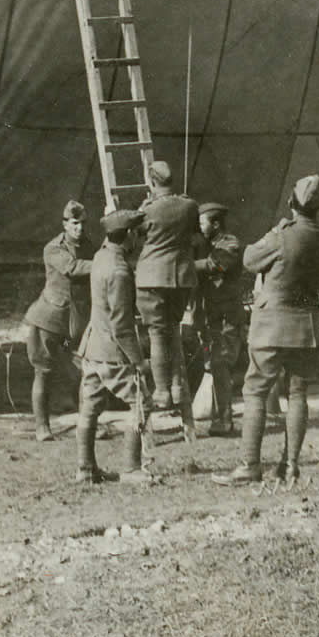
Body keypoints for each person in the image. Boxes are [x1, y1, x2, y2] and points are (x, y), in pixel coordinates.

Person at [224, 175, 319, 486]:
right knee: (298, 394)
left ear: (291, 204)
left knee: (256, 391)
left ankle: (249, 464)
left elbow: (248, 259)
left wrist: (275, 231)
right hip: (307, 326)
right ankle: (291, 464)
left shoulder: (282, 235)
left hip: (272, 326)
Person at [75, 207, 147, 485]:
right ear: (128, 235)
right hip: (111, 351)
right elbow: (121, 324)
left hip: (92, 346)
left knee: (90, 407)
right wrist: (138, 360)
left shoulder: (100, 257)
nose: (139, 241)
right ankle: (131, 468)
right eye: (138, 235)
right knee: (141, 402)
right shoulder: (119, 271)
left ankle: (85, 469)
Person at [134, 158, 201, 438]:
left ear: (151, 182)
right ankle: (176, 386)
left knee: (158, 334)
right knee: (173, 330)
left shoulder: (147, 210)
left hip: (152, 278)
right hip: (182, 278)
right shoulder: (189, 206)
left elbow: (135, 237)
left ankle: (162, 391)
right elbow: (195, 236)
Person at [22, 200, 90, 440]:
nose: (79, 228)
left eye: (82, 223)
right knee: (43, 371)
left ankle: (87, 424)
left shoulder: (89, 247)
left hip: (75, 322)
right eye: (74, 224)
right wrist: (105, 263)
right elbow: (72, 268)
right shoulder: (53, 248)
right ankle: (42, 427)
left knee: (87, 371)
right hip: (48, 320)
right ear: (65, 224)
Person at [188, 201, 246, 437]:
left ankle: (225, 419)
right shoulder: (206, 245)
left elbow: (216, 265)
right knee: (213, 364)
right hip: (210, 316)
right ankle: (217, 416)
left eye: (203, 223)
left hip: (227, 318)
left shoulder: (229, 244)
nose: (200, 227)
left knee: (222, 365)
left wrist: (186, 265)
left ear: (216, 223)